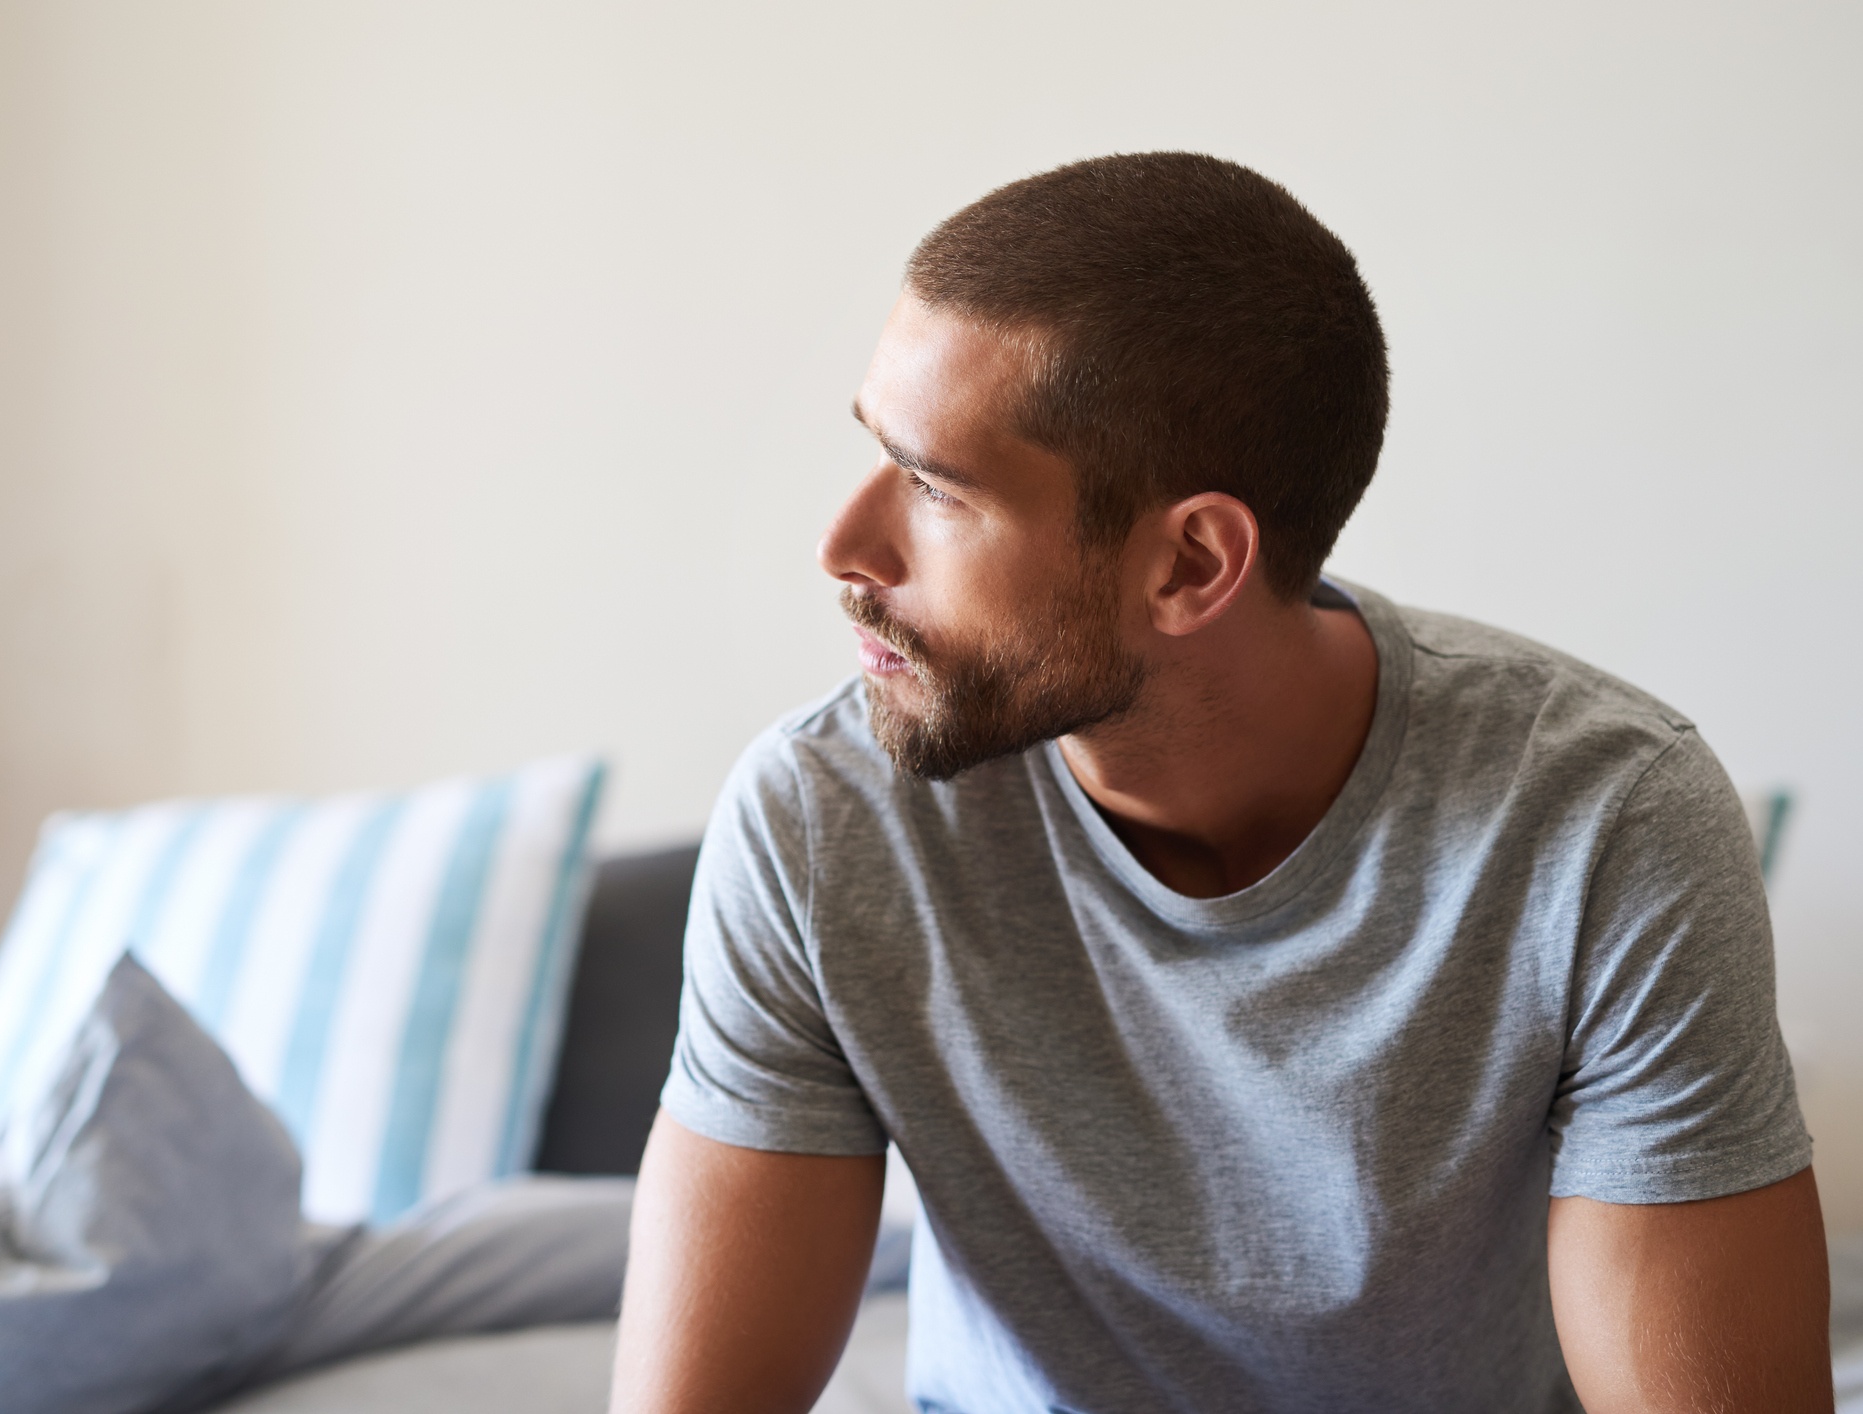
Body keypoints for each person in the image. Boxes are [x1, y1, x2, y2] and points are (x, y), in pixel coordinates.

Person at [610, 153, 1832, 1413]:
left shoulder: (1603, 823)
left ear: (1193, 563)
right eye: (878, 454)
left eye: (933, 487)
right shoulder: (822, 819)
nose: (845, 547)